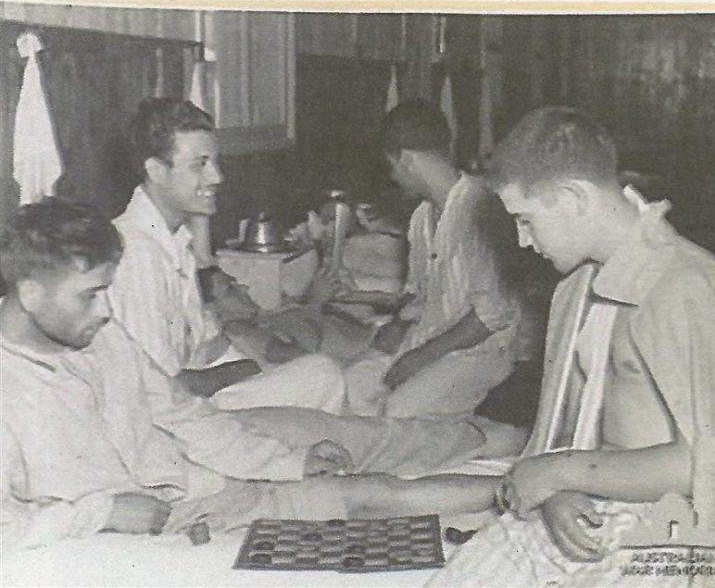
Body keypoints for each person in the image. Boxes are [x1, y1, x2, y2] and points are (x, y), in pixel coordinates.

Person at [0, 199, 527, 550]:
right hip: (192, 501)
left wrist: (291, 462)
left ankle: (524, 439)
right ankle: (538, 483)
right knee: (374, 493)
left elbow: (184, 414)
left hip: (203, 451)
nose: (106, 311)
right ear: (29, 292)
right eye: (90, 295)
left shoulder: (100, 337)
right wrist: (101, 512)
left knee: (363, 436)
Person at [426, 107, 715, 587]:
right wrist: (555, 491)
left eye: (525, 219)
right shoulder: (577, 289)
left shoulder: (686, 287)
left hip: (667, 536)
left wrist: (560, 471)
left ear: (573, 197)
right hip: (585, 509)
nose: (522, 241)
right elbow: (568, 431)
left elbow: (712, 463)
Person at [108, 97, 345, 413]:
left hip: (196, 401)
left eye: (215, 162)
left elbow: (209, 349)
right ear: (157, 171)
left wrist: (264, 360)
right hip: (167, 419)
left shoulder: (174, 244)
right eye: (199, 165)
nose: (216, 177)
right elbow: (158, 391)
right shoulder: (136, 253)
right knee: (322, 377)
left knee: (319, 372)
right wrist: (244, 370)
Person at [343, 99, 521, 417]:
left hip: (479, 351)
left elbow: (491, 315)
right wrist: (398, 325)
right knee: (353, 384)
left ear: (406, 160)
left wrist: (417, 359)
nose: (394, 178)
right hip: (431, 339)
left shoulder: (482, 210)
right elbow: (419, 292)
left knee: (397, 413)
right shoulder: (422, 217)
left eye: (392, 167)